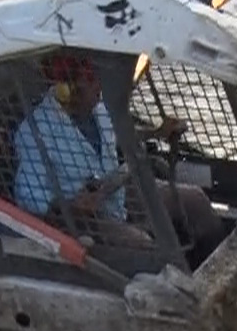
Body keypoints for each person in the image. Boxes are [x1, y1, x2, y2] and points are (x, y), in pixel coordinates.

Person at [11, 53, 225, 255]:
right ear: (67, 88)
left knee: (195, 200)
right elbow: (28, 198)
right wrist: (72, 207)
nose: (99, 86)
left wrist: (157, 132)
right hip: (83, 223)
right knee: (144, 246)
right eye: (91, 80)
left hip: (117, 192)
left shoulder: (99, 108)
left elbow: (119, 134)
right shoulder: (34, 131)